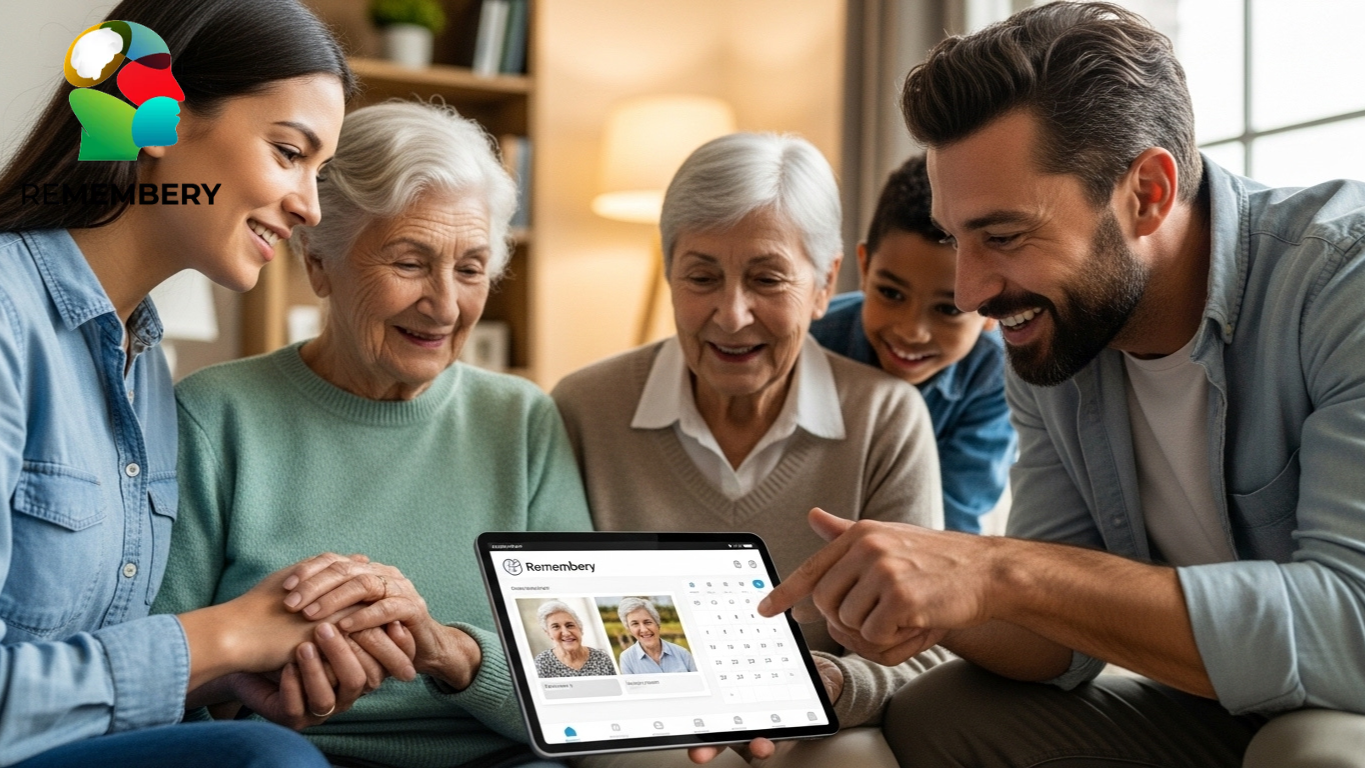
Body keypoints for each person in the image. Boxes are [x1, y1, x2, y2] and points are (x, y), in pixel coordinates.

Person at [758, 4, 1365, 766]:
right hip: (1213, 707)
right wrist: (942, 600)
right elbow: (1055, 644)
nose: (972, 292)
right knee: (938, 713)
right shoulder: (1052, 337)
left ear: (1146, 192)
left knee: (1309, 748)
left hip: (1343, 707)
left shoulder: (1343, 281)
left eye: (1004, 237)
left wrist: (995, 569)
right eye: (956, 238)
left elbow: (1353, 624)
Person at [150, 101, 592, 768]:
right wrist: (255, 690)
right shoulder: (215, 414)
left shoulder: (522, 420)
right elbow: (158, 672)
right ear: (319, 264)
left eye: (470, 268)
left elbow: (584, 672)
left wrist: (447, 651)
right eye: (410, 263)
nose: (444, 305)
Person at [0, 1, 365, 766]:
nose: (310, 207)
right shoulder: (8, 316)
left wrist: (220, 677)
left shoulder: (147, 372)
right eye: (289, 152)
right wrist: (221, 635)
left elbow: (93, 667)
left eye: (320, 171)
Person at [552, 132, 949, 768]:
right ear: (669, 275)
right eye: (702, 277)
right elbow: (552, 618)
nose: (732, 315)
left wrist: (831, 684)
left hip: (822, 728)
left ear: (825, 284)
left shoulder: (886, 419)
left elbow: (927, 648)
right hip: (640, 721)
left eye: (767, 278)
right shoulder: (582, 408)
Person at [810, 155, 1014, 533]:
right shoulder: (812, 342)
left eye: (948, 309)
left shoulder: (992, 378)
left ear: (991, 307)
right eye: (891, 293)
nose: (912, 331)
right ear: (865, 268)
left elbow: (952, 526)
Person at [532, 601, 618, 678]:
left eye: (570, 625)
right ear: (548, 633)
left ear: (580, 629)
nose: (566, 633)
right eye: (556, 627)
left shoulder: (602, 658)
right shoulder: (542, 663)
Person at [615, 597, 696, 675]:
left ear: (657, 624)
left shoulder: (683, 654)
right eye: (635, 624)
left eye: (648, 622)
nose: (644, 630)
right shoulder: (627, 659)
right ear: (629, 629)